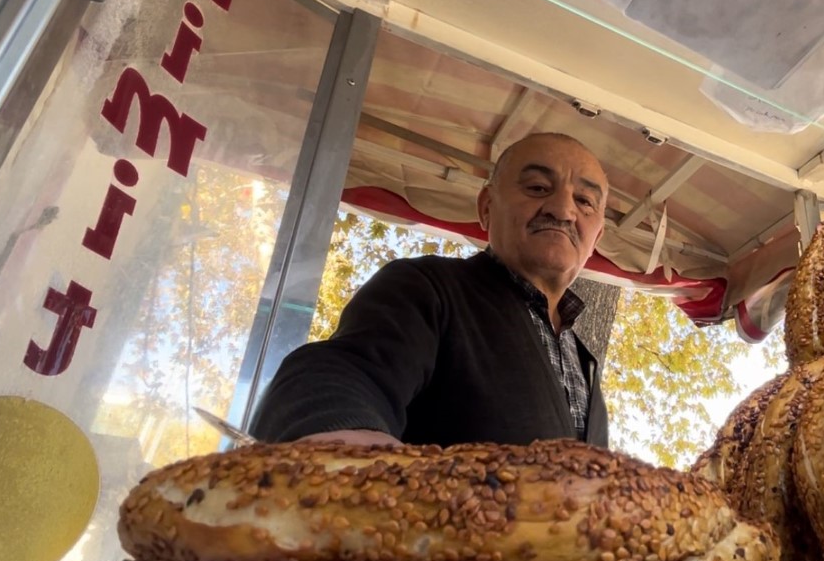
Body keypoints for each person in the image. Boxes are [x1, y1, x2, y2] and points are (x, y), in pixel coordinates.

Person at [248, 132, 611, 448]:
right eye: (537, 188)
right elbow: (343, 373)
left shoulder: (584, 361)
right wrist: (340, 442)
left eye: (584, 201)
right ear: (487, 207)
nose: (563, 209)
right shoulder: (428, 289)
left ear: (596, 238)